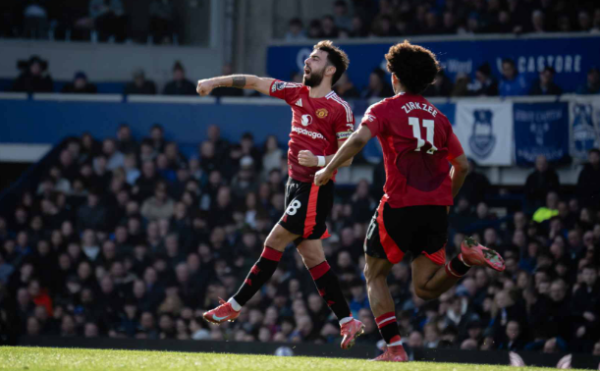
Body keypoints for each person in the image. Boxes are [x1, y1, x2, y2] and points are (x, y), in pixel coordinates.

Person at [314, 40, 506, 362]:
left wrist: (327, 168)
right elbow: (463, 166)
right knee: (425, 289)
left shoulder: (384, 108)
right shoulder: (440, 118)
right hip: (434, 213)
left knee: (374, 274)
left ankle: (394, 349)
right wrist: (446, 201)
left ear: (395, 78)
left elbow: (359, 140)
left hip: (400, 206)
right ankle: (465, 260)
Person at [196, 40, 365, 349]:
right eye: (308, 57)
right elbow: (256, 82)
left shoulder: (339, 108)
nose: (307, 62)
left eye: (314, 58)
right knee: (312, 256)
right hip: (294, 185)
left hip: (316, 186)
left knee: (274, 241)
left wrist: (320, 161)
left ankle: (234, 305)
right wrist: (214, 82)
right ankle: (347, 321)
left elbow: (350, 155)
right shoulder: (296, 93)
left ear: (329, 70)